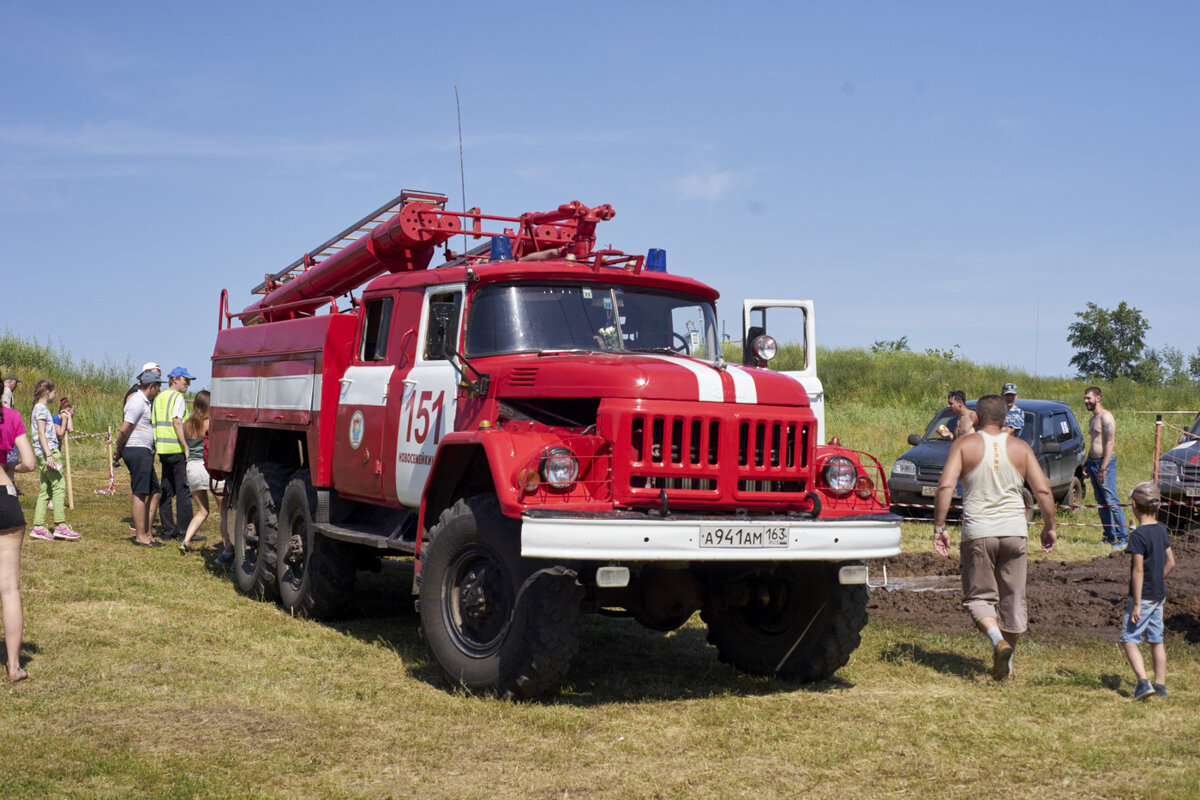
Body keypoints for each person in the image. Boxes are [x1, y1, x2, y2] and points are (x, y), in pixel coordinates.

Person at [933, 394, 1057, 681]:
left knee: (979, 598)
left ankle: (996, 641)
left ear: (977, 417)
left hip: (979, 533)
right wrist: (1049, 526)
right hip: (1015, 531)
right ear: (1005, 419)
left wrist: (940, 528)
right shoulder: (1021, 447)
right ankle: (1007, 668)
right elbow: (1043, 492)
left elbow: (945, 486)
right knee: (1012, 600)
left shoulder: (965, 444)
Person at [1120, 482, 1175, 701]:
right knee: (1156, 639)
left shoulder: (1138, 535)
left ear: (1133, 505)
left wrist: (1137, 603)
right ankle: (1160, 685)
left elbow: (1138, 570)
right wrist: (1157, 580)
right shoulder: (1162, 529)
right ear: (1159, 505)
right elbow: (1171, 562)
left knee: (1129, 638)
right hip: (1159, 594)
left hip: (1142, 597)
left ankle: (1143, 684)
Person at [0, 403, 35, 681]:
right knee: (9, 588)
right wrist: (11, 464)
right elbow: (30, 462)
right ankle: (14, 667)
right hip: (5, 496)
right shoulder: (11, 416)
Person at [115, 370, 165, 547]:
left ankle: (147, 533)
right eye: (158, 387)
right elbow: (124, 429)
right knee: (140, 492)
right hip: (136, 449)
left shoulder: (145, 401)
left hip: (144, 451)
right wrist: (118, 450)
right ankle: (140, 536)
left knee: (155, 492)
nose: (158, 390)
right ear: (151, 386)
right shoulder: (136, 401)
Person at [28, 380, 80, 541]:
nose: (55, 395)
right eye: (54, 392)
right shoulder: (42, 409)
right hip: (48, 453)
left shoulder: (38, 409)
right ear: (48, 392)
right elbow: (42, 433)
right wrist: (49, 454)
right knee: (59, 485)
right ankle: (60, 525)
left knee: (45, 489)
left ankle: (38, 526)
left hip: (42, 453)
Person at [181, 390, 226, 556]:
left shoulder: (186, 424)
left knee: (202, 511)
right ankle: (227, 546)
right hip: (209, 467)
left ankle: (185, 541)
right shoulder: (210, 423)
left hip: (192, 468)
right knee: (224, 512)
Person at [153, 367, 194, 541]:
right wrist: (185, 446)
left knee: (166, 490)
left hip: (162, 449)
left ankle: (168, 531)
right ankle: (185, 531)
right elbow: (177, 422)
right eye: (186, 380)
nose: (188, 384)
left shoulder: (159, 397)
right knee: (183, 491)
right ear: (175, 379)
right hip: (176, 449)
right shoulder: (177, 397)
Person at [1084, 386, 1128, 548]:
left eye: (1088, 398)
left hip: (1105, 463)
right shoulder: (1092, 420)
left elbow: (1110, 443)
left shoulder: (1106, 417)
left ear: (1098, 398)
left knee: (1111, 500)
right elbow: (1094, 443)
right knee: (1101, 502)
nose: (1085, 401)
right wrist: (1087, 463)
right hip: (1093, 463)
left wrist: (1103, 467)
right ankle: (1109, 536)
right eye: (1085, 398)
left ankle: (1123, 537)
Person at [2, 374, 20, 485]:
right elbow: (6, 407)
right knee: (10, 458)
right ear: (10, 381)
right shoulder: (7, 390)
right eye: (16, 382)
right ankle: (9, 483)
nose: (16, 385)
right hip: (6, 428)